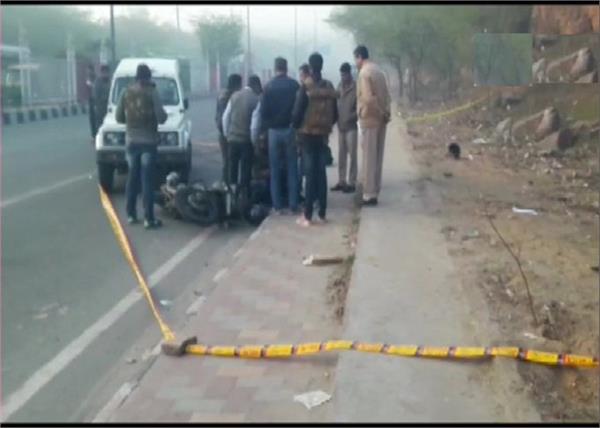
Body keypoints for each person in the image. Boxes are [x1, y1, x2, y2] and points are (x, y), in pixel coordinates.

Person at [116, 63, 167, 229]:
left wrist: (131, 124)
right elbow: (161, 117)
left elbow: (119, 117)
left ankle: (131, 215)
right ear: (148, 77)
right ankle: (148, 218)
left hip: (131, 142)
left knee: (132, 178)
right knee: (147, 180)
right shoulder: (152, 92)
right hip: (148, 143)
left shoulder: (126, 91)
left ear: (136, 76)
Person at [292, 52, 338, 227]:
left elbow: (297, 113)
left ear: (310, 67)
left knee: (309, 175)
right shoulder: (328, 86)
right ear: (322, 65)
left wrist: (296, 127)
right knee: (321, 173)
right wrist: (325, 127)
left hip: (307, 135)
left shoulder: (306, 87)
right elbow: (335, 114)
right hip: (322, 135)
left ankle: (308, 216)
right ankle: (322, 213)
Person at [260, 57, 300, 214]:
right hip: (290, 129)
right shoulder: (294, 85)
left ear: (275, 68)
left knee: (275, 169)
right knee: (292, 168)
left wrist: (267, 127)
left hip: (274, 132)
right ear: (286, 67)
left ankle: (277, 206)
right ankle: (293, 204)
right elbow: (300, 108)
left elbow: (263, 112)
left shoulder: (268, 87)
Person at [354, 45, 391, 206]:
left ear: (360, 57)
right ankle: (375, 189)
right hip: (381, 120)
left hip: (370, 119)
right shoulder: (379, 71)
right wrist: (385, 112)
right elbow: (387, 95)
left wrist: (374, 111)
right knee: (377, 157)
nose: (355, 62)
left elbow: (368, 98)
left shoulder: (364, 73)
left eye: (355, 59)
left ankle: (368, 194)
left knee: (369, 157)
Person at [222, 75, 260, 195]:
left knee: (232, 169)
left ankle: (231, 196)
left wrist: (227, 134)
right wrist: (253, 142)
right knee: (245, 171)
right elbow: (254, 126)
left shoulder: (234, 96)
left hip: (233, 139)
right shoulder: (255, 99)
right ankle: (244, 197)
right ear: (255, 86)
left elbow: (225, 118)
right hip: (246, 141)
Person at [331, 62, 358, 193]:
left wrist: (352, 116)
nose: (343, 77)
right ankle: (342, 181)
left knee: (352, 155)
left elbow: (360, 108)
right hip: (340, 126)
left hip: (351, 126)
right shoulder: (339, 87)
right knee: (341, 155)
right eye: (341, 74)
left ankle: (352, 182)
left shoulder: (356, 88)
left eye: (345, 74)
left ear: (349, 74)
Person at [216, 74, 243, 182]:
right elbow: (225, 117)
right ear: (237, 84)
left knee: (227, 161)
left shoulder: (222, 95)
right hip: (229, 133)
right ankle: (229, 186)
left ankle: (227, 185)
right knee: (230, 162)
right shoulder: (232, 96)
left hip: (223, 133)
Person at [93, 64, 111, 135]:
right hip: (101, 107)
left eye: (107, 72)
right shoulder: (98, 82)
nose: (105, 74)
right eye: (104, 72)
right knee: (100, 124)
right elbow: (96, 95)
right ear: (102, 72)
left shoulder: (111, 81)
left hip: (109, 107)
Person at [86, 64, 97, 140]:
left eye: (89, 70)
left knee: (96, 118)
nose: (88, 72)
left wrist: (91, 84)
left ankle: (96, 134)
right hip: (91, 99)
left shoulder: (96, 78)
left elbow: (95, 87)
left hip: (96, 100)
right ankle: (93, 135)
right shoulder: (88, 78)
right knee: (91, 118)